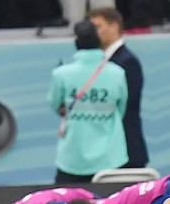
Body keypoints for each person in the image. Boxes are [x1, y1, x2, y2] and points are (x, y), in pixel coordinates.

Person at [49, 20, 128, 183]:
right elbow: (121, 109)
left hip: (71, 159)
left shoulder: (61, 74)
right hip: (110, 158)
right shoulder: (118, 73)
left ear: (76, 43)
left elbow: (55, 104)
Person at [89, 7, 148, 169]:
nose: (94, 33)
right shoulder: (102, 61)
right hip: (107, 150)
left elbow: (124, 104)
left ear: (114, 27)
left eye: (98, 27)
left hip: (126, 150)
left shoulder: (127, 62)